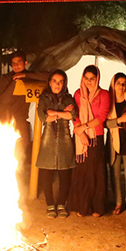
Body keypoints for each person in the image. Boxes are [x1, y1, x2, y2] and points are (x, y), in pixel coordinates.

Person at [0, 50, 47, 191]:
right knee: (4, 156)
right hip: (5, 122)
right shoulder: (6, 78)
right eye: (13, 63)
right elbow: (3, 99)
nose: (16, 66)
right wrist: (16, 82)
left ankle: (17, 186)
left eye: (19, 62)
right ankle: (1, 186)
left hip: (22, 122)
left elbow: (50, 77)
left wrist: (26, 75)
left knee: (20, 156)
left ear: (25, 63)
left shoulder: (31, 77)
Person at [66, 65, 111, 217]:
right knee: (81, 171)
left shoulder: (104, 94)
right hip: (80, 137)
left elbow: (101, 117)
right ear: (82, 78)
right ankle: (82, 206)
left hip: (95, 137)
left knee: (95, 171)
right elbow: (75, 114)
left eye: (92, 78)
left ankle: (96, 207)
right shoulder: (78, 94)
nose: (89, 81)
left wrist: (83, 128)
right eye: (86, 78)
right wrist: (80, 132)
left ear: (97, 79)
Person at [35, 69, 77, 218]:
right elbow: (43, 117)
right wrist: (62, 113)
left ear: (64, 83)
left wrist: (54, 113)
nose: (57, 84)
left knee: (65, 172)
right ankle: (50, 204)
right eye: (55, 81)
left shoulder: (68, 98)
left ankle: (61, 204)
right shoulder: (44, 98)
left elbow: (72, 115)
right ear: (50, 82)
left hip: (65, 137)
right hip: (48, 137)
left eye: (60, 82)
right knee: (46, 172)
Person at [106, 73, 126, 215]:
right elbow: (105, 123)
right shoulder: (108, 101)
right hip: (113, 139)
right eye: (118, 83)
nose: (121, 86)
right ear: (113, 84)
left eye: (124, 83)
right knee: (115, 172)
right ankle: (118, 202)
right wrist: (119, 120)